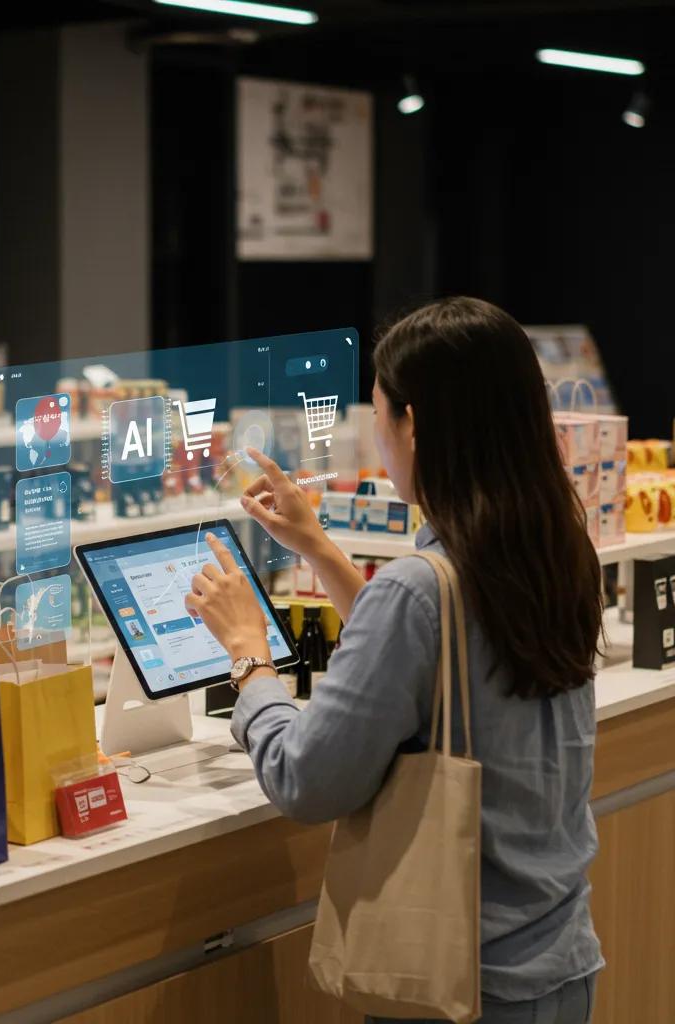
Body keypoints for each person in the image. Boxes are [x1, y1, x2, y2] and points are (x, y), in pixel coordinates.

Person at [185, 297, 603, 1024]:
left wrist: (250, 657)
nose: (378, 437)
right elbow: (441, 647)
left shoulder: (419, 592)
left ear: (414, 425)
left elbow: (307, 780)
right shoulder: (557, 552)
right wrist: (318, 548)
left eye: (379, 416)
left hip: (462, 985)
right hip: (559, 963)